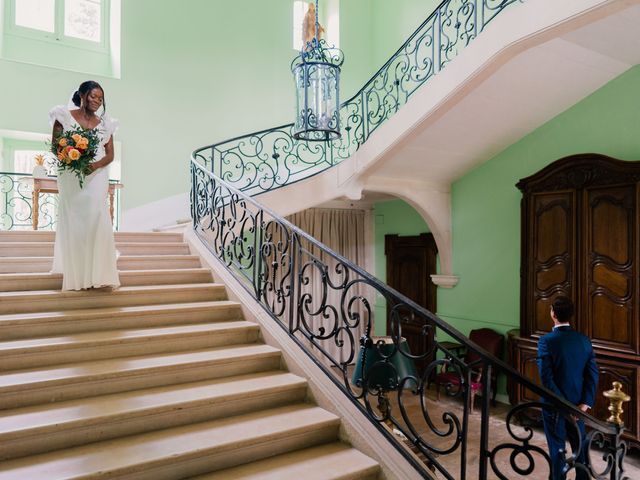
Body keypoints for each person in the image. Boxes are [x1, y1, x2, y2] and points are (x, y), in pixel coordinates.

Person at [49, 80, 120, 291]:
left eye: (100, 98)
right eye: (93, 96)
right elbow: (56, 146)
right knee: (75, 221)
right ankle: (78, 274)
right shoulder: (63, 115)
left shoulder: (106, 124)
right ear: (82, 95)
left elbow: (110, 155)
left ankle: (99, 273)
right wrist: (73, 160)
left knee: (97, 215)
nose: (97, 101)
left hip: (96, 175)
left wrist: (94, 165)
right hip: (71, 174)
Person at [537, 296, 599, 480]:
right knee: (580, 447)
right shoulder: (583, 340)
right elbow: (592, 374)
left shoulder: (546, 341)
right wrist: (584, 405)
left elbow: (546, 379)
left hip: (555, 406)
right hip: (578, 406)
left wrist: (565, 407)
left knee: (557, 450)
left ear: (553, 314)